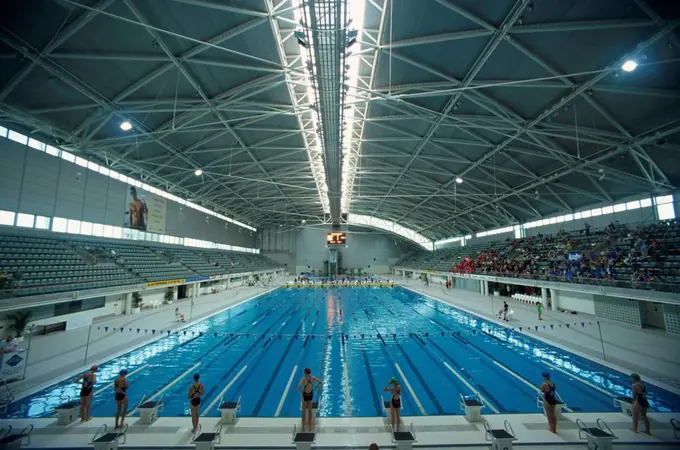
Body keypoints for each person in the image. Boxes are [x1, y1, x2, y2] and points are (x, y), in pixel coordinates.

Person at [297, 367, 323, 431]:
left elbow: (298, 386)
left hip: (305, 395)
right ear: (310, 372)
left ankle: (303, 427)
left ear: (305, 373)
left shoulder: (304, 379)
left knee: (304, 412)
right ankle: (310, 427)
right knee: (310, 411)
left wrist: (302, 391)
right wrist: (315, 388)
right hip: (310, 395)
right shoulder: (313, 378)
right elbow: (320, 382)